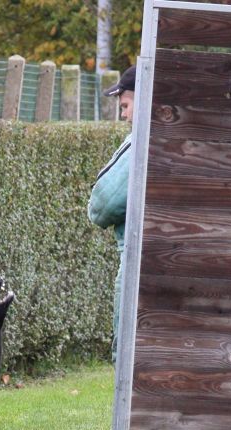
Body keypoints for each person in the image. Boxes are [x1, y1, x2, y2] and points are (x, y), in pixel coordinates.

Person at [88, 65, 136, 362]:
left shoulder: (141, 141)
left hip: (133, 256)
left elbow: (103, 204)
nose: (124, 115)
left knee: (127, 350)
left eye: (126, 105)